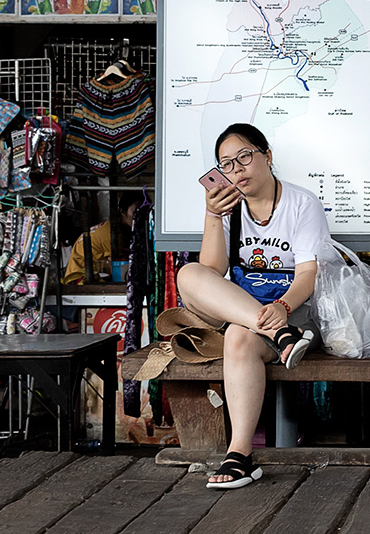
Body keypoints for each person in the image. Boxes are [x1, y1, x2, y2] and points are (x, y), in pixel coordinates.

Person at [174, 124, 328, 490]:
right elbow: (213, 271)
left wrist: (283, 307)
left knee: (239, 339)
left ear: (267, 156)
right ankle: (279, 336)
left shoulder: (301, 203)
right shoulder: (229, 207)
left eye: (244, 157)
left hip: (294, 310)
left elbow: (308, 274)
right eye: (226, 164)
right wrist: (213, 216)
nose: (237, 169)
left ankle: (239, 454)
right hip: (250, 312)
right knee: (189, 274)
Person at [62, 193, 141, 286]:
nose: (140, 217)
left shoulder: (113, 228)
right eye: (135, 213)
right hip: (79, 280)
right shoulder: (113, 234)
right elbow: (119, 268)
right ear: (123, 211)